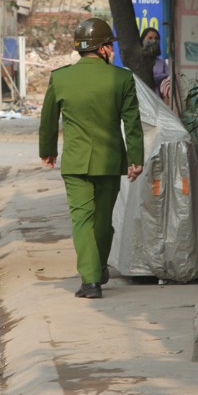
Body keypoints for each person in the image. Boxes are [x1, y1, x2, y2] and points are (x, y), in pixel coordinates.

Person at [39, 17, 145, 299]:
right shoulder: (121, 78)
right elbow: (132, 123)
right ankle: (95, 270)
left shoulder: (60, 78)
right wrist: (136, 158)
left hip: (75, 164)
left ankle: (91, 280)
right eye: (110, 46)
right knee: (102, 221)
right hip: (110, 162)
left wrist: (48, 150)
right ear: (103, 48)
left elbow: (48, 119)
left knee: (82, 220)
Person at [140, 27, 170, 100]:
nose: (153, 41)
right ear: (142, 41)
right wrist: (162, 76)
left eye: (156, 38)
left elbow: (169, 77)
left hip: (158, 102)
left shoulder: (161, 62)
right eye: (150, 38)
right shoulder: (138, 61)